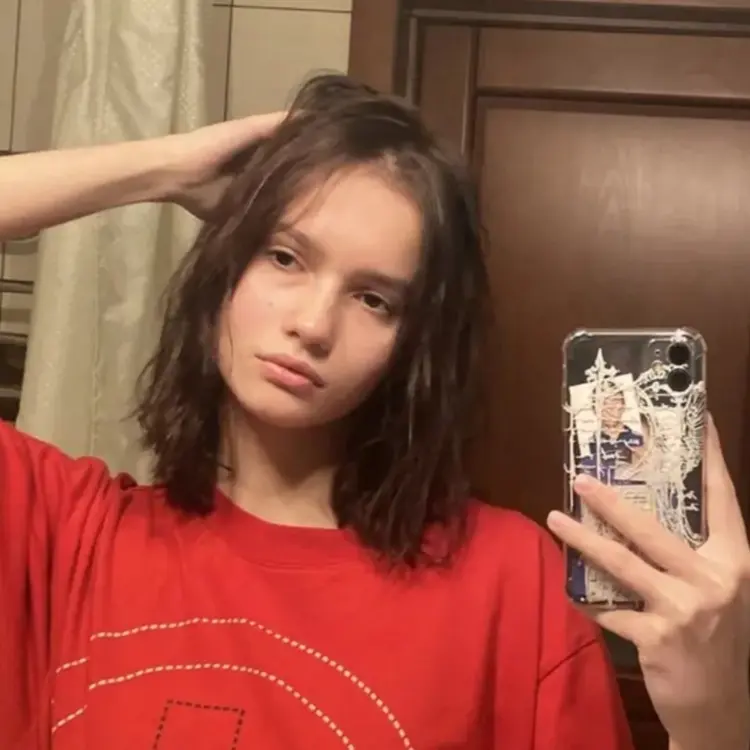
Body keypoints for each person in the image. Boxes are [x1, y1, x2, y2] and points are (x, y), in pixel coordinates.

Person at [0, 74, 746, 750]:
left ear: (412, 346)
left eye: (373, 299)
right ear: (223, 271)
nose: (313, 325)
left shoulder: (508, 581)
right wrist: (166, 168)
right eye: (284, 257)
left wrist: (713, 721)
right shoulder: (66, 534)